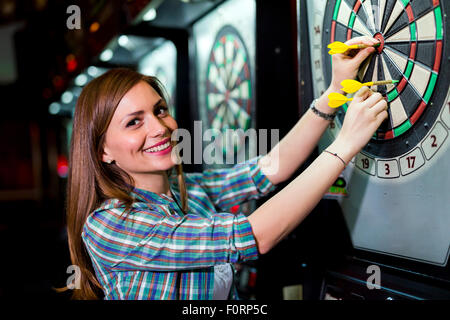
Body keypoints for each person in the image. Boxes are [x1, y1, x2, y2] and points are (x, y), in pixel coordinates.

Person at [65, 36, 386, 300]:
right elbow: (255, 235)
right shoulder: (109, 225)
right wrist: (343, 146)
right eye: (134, 122)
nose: (160, 128)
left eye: (160, 110)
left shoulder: (187, 190)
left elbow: (270, 168)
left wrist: (334, 93)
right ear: (103, 151)